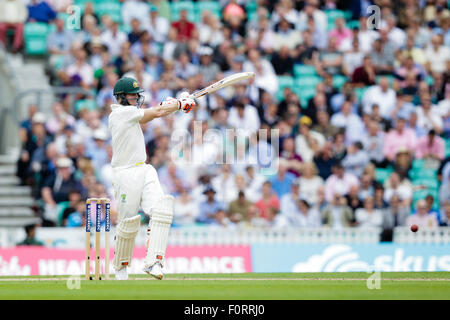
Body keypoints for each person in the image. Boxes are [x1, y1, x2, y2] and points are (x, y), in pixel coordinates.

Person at [108, 76, 195, 280]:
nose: (137, 97)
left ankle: (154, 261)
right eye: (132, 95)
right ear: (121, 97)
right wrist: (180, 104)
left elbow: (158, 111)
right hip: (124, 172)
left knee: (161, 210)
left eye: (138, 94)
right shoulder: (119, 113)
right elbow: (156, 112)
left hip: (143, 168)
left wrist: (176, 105)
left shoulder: (131, 111)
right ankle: (121, 267)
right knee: (128, 223)